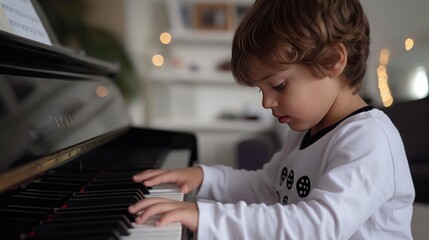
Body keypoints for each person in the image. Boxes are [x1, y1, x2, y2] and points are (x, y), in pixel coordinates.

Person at [128, 0, 415, 239]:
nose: (266, 103)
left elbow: (317, 226)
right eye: (260, 90)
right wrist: (205, 178)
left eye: (278, 85)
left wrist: (208, 217)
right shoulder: (307, 130)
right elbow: (267, 187)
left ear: (332, 61)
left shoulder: (369, 138)